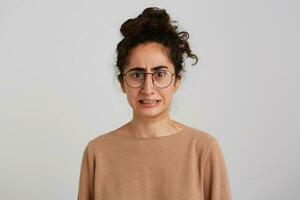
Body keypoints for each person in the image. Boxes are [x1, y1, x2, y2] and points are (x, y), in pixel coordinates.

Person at [77, 7, 231, 200]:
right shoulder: (98, 152)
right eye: (137, 74)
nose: (148, 88)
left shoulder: (203, 149)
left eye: (160, 74)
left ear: (176, 81)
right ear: (122, 83)